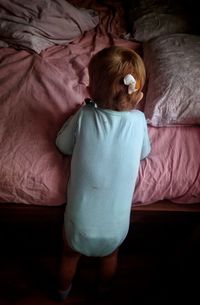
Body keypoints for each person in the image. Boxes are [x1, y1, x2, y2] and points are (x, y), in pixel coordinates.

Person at [55, 45, 151, 300]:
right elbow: (144, 153)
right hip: (116, 227)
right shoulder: (140, 121)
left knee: (68, 255)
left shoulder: (84, 115)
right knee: (111, 256)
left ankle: (62, 292)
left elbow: (62, 145)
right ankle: (103, 289)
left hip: (79, 223)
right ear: (137, 94)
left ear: (90, 91)